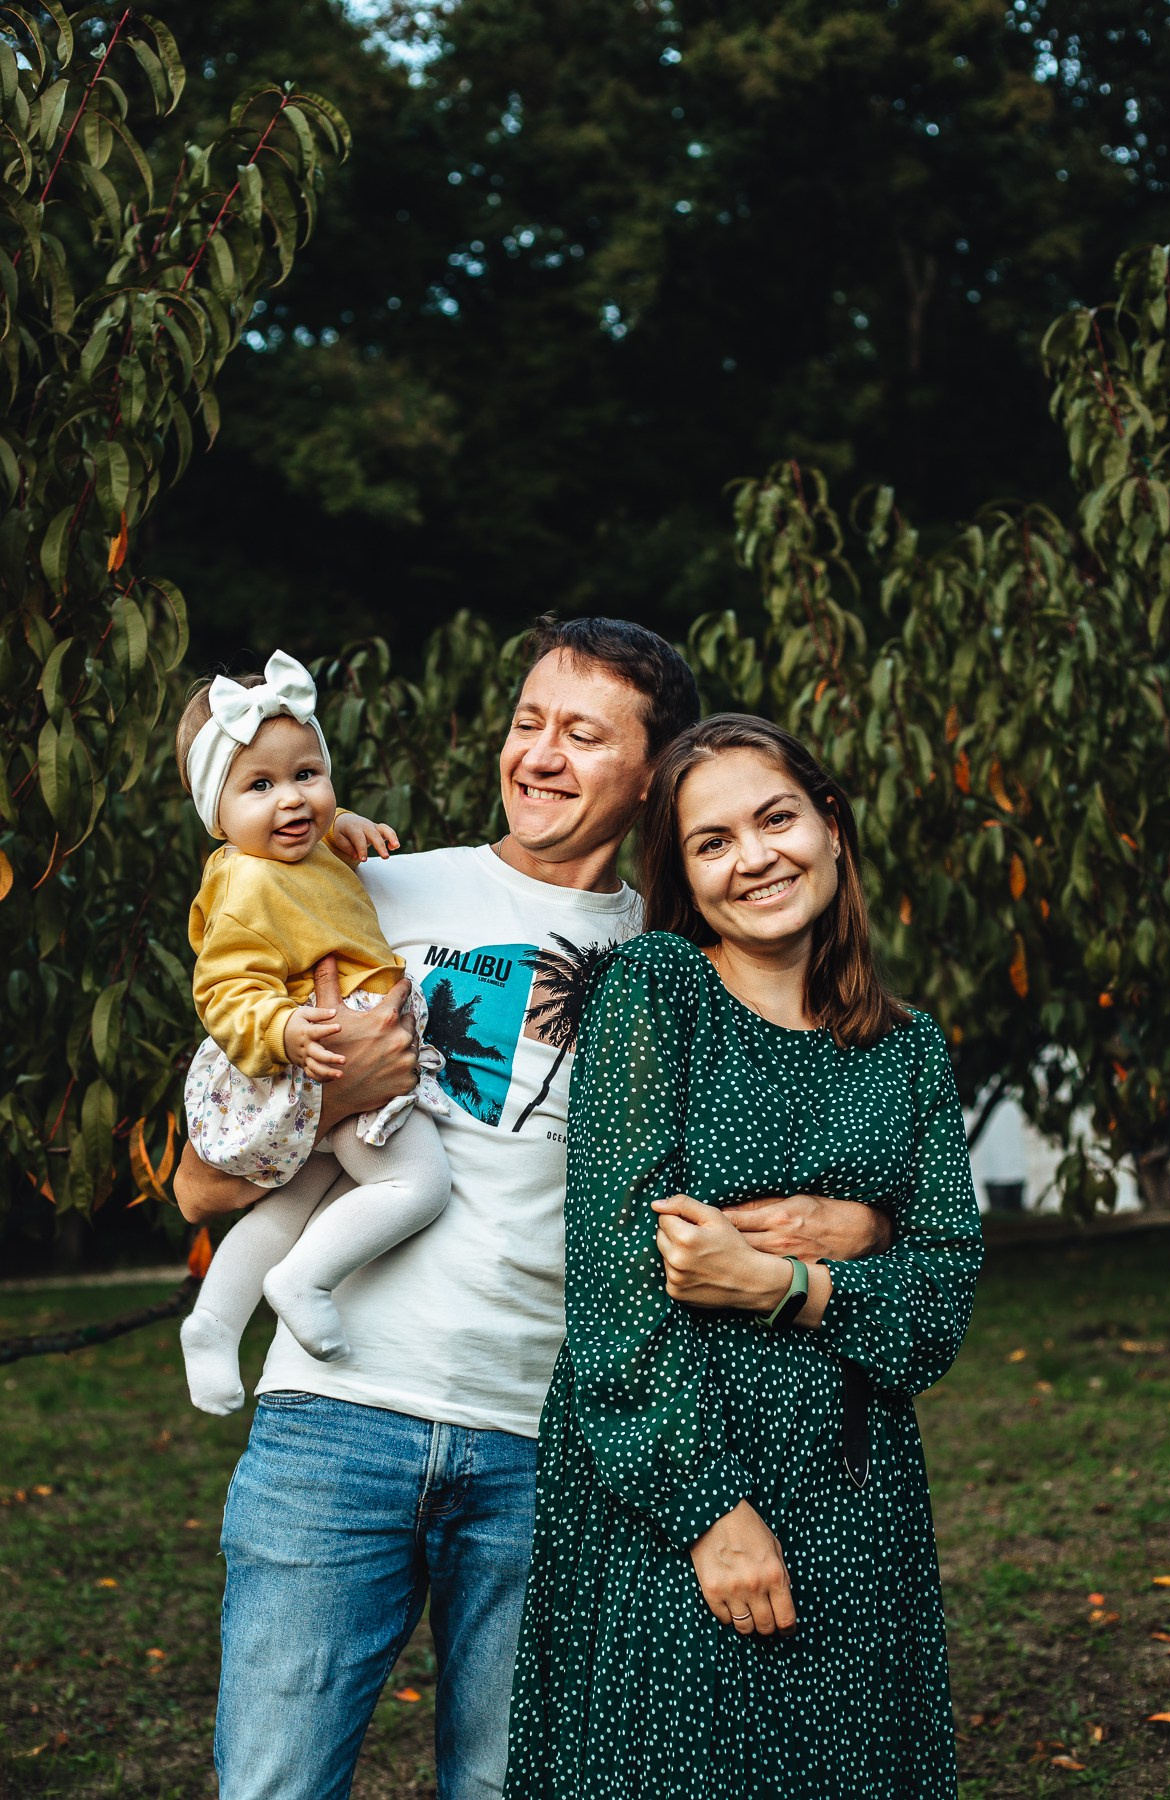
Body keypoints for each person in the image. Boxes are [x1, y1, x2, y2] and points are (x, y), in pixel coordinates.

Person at [175, 628, 895, 1800]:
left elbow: (774, 1177)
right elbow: (198, 1185)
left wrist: (853, 1229)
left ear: (655, 776)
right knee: (274, 1785)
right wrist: (331, 1101)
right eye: (528, 721)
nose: (539, 755)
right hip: (334, 1420)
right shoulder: (366, 886)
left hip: (547, 1450)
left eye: (583, 733)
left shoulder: (688, 965)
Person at [503, 713, 984, 1800]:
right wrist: (712, 1514)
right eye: (712, 842)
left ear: (833, 827)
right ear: (682, 874)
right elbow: (619, 1288)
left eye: (777, 819)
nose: (755, 857)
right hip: (674, 1474)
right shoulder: (659, 987)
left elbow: (941, 1305)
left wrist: (786, 1285)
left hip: (854, 1488)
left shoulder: (908, 1050)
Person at [175, 649, 451, 1413]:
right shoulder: (244, 879)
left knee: (293, 1205)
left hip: (332, 1044)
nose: (291, 800)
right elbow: (224, 988)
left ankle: (215, 1322)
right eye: (259, 786)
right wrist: (286, 1027)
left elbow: (308, 840)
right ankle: (303, 1280)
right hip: (324, 1049)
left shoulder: (294, 850)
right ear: (217, 813)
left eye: (307, 776)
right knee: (415, 1184)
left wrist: (341, 823)